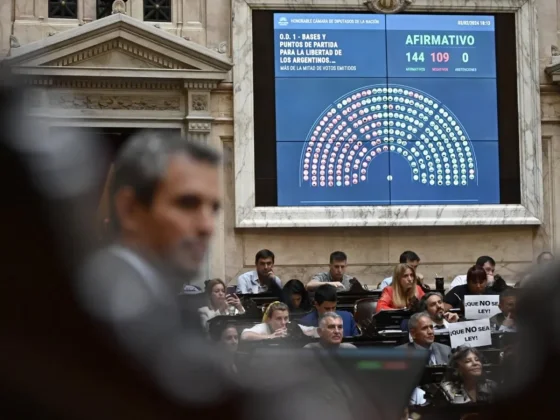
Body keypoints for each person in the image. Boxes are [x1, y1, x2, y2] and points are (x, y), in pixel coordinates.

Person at [78, 130, 225, 402]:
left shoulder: (161, 299)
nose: (207, 226)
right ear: (130, 209)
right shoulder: (104, 305)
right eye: (187, 203)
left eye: (213, 208)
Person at [240, 302, 315, 341]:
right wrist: (271, 336)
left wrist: (303, 334)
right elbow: (245, 335)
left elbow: (315, 330)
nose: (283, 323)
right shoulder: (264, 327)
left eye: (286, 318)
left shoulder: (291, 325)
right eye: (278, 318)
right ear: (269, 320)